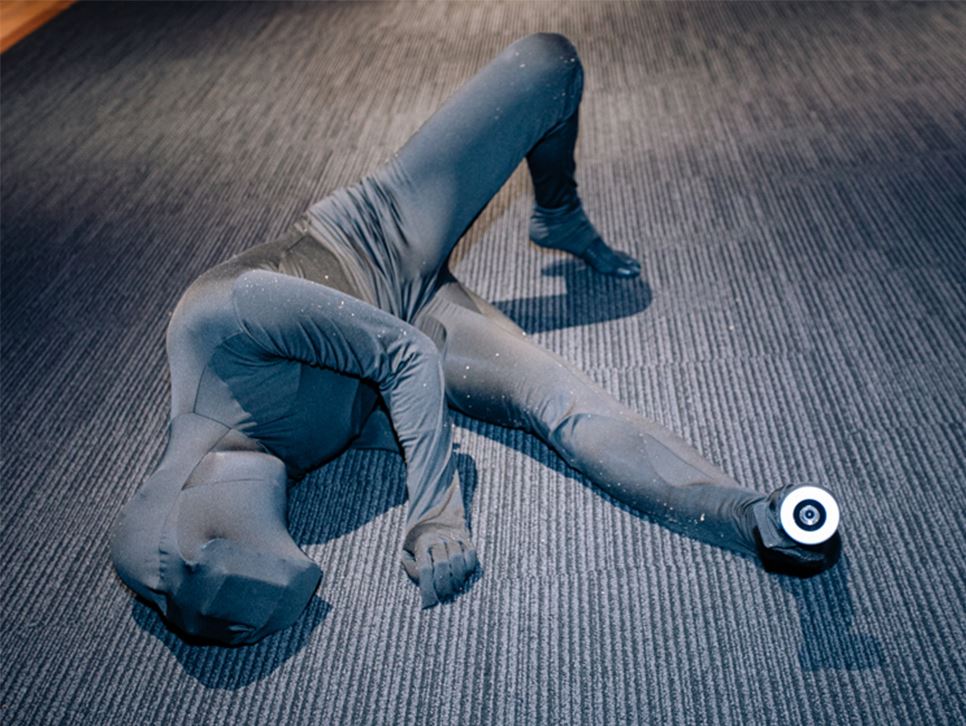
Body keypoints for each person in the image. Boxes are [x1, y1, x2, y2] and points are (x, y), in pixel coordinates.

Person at [110, 32, 840, 646]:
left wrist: (433, 513)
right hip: (421, 324)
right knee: (557, 401)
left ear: (192, 493)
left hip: (380, 234)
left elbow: (403, 362)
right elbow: (382, 399)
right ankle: (754, 515)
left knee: (549, 62)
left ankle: (557, 212)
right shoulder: (259, 463)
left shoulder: (219, 318)